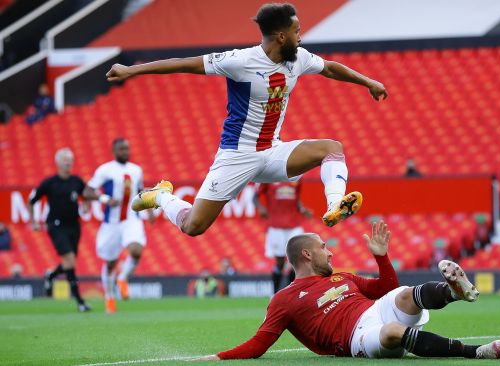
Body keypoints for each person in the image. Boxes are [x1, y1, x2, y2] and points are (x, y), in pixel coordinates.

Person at [106, 3, 388, 238]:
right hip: (237, 156)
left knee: (332, 148)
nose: (300, 37)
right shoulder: (240, 61)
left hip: (272, 152)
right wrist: (131, 71)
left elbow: (330, 68)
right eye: (296, 31)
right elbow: (184, 63)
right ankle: (160, 196)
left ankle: (334, 204)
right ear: (280, 36)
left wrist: (368, 82)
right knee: (193, 226)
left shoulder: (297, 57)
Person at [198, 221, 500, 360]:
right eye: (323, 247)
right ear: (306, 255)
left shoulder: (343, 278)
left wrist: (381, 256)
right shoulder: (284, 299)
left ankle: (454, 292)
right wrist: (220, 357)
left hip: (372, 310)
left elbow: (387, 288)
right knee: (392, 331)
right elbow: (260, 343)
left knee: (405, 294)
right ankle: (473, 352)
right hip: (354, 337)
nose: (330, 252)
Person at [83, 138, 154, 314]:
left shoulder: (136, 170)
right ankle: (109, 297)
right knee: (110, 264)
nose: (125, 152)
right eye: (122, 149)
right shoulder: (105, 170)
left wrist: (150, 210)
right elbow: (87, 191)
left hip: (132, 219)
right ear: (114, 151)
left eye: (127, 149)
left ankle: (122, 279)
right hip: (111, 224)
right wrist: (105, 199)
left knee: (136, 251)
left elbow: (140, 191)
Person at [27, 148, 91, 312]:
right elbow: (31, 201)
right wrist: (33, 221)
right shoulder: (49, 183)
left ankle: (51, 276)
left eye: (70, 159)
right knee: (70, 260)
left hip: (74, 225)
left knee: (69, 262)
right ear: (57, 162)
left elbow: (87, 196)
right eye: (64, 159)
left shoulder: (76, 181)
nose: (68, 162)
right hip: (56, 225)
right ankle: (80, 301)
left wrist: (85, 205)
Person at [253, 180, 312, 293]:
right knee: (280, 263)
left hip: (294, 226)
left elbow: (296, 199)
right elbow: (254, 197)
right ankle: (275, 294)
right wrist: (261, 208)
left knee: (297, 261)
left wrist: (302, 209)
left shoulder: (297, 177)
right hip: (276, 227)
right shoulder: (269, 177)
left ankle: (292, 293)